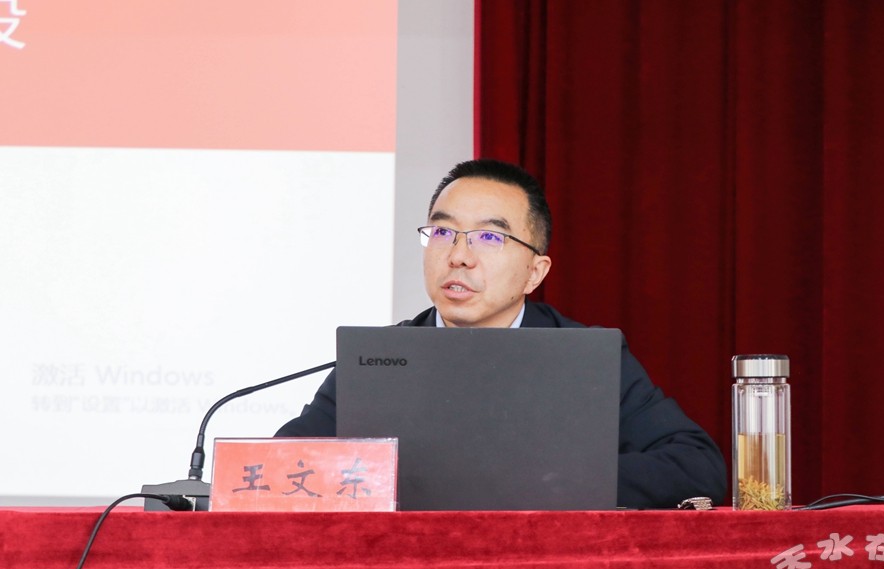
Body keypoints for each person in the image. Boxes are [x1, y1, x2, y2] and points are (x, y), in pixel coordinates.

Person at [276, 158, 727, 509]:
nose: (459, 256)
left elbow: (696, 465)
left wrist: (550, 482)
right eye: (442, 231)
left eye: (490, 238)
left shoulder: (583, 357)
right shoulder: (379, 358)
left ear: (535, 272)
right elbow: (284, 467)